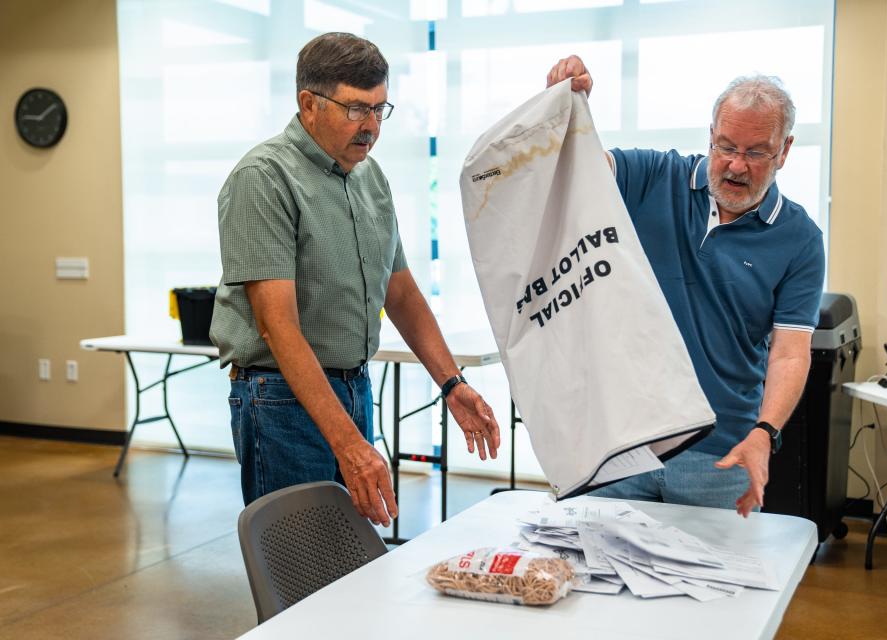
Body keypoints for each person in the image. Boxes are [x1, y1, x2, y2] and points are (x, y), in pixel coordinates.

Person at [211, 32, 500, 526]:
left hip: (352, 388)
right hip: (280, 402)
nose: (370, 127)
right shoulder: (264, 177)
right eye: (355, 109)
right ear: (308, 103)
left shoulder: (370, 177)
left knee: (349, 567)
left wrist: (453, 384)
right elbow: (277, 326)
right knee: (304, 572)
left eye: (380, 110)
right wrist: (349, 444)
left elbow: (402, 292)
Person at [546, 57, 825, 517]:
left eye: (756, 152)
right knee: (595, 579)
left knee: (715, 584)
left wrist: (765, 433)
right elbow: (576, 170)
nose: (736, 165)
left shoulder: (800, 238)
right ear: (709, 134)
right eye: (725, 146)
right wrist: (569, 107)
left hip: (719, 454)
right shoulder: (656, 176)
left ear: (785, 150)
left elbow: (790, 352)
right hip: (621, 442)